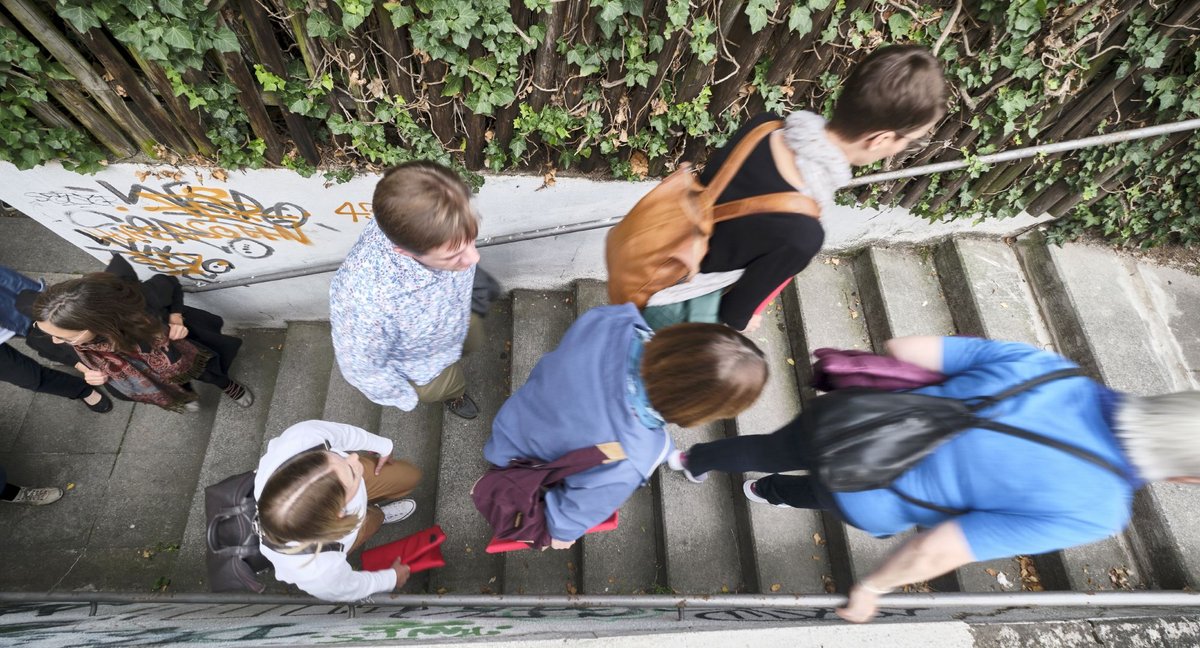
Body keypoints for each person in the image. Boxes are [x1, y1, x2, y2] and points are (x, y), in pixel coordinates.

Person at [668, 336, 1200, 623]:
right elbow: (944, 546)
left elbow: (905, 349)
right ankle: (768, 490)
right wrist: (872, 588)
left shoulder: (1053, 369)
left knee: (767, 446)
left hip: (851, 418)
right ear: (1183, 476)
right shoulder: (1097, 509)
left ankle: (694, 461)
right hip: (871, 489)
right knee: (822, 491)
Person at [643, 44, 947, 333]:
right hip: (677, 301)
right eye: (908, 140)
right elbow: (735, 309)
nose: (904, 147)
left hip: (656, 251)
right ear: (880, 139)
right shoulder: (803, 232)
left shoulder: (764, 127)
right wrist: (742, 322)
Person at [482, 304, 768, 548]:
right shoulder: (630, 457)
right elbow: (571, 514)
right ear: (699, 409)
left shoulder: (617, 319)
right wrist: (561, 536)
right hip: (522, 466)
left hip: (516, 418)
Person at [330, 160, 499, 420]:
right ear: (405, 252)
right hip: (424, 367)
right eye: (453, 255)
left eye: (471, 240)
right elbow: (360, 368)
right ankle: (454, 397)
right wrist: (406, 395)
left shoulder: (418, 220)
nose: (474, 258)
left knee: (473, 338)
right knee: (450, 384)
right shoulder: (365, 302)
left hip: (457, 317)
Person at [22, 255, 251, 413]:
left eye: (66, 338)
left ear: (96, 324)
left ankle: (226, 385)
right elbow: (47, 348)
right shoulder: (49, 324)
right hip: (140, 373)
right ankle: (185, 393)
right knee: (172, 385)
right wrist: (86, 369)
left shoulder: (141, 302)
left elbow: (169, 282)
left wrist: (176, 317)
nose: (55, 340)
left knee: (205, 371)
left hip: (175, 350)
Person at [255, 419, 422, 602]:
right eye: (350, 469)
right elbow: (350, 587)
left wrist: (382, 446)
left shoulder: (301, 440)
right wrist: (391, 578)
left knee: (409, 477)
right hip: (344, 534)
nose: (354, 457)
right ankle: (378, 515)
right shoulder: (318, 571)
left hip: (347, 487)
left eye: (331, 455)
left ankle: (371, 511)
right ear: (338, 515)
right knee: (372, 521)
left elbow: (342, 434)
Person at [1, 265, 111, 413]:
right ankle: (81, 390)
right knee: (27, 375)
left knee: (50, 337)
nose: (55, 340)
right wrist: (84, 368)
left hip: (10, 306)